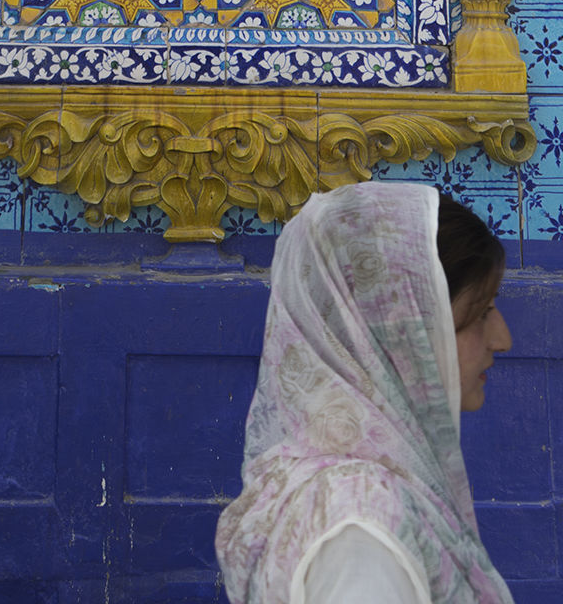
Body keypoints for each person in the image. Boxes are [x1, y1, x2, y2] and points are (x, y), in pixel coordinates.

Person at [216, 182, 514, 604]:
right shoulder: (360, 525)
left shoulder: (344, 489)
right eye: (482, 312)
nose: (503, 339)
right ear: (399, 330)